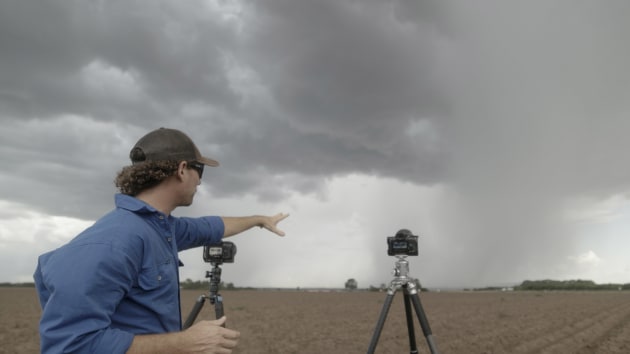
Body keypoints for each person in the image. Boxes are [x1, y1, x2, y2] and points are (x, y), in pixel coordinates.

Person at [33, 127, 289, 354]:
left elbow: (210, 227)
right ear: (181, 170)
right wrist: (184, 344)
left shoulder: (159, 228)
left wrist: (258, 219)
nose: (200, 181)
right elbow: (71, 345)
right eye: (199, 171)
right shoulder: (113, 241)